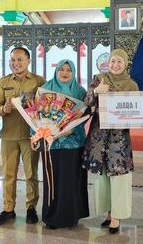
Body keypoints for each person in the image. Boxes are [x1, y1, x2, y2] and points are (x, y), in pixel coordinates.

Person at [82, 49, 139, 234]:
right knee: (102, 177)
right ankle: (108, 213)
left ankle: (117, 216)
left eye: (119, 62)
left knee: (120, 178)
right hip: (99, 138)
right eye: (112, 61)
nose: (115, 65)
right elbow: (86, 104)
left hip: (119, 140)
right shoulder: (99, 78)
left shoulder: (131, 85)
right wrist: (96, 91)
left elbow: (137, 113)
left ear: (125, 63)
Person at [0, 47, 45, 225]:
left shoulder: (38, 81)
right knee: (8, 174)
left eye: (20, 59)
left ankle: (31, 208)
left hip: (31, 135)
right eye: (13, 60)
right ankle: (8, 209)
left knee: (31, 174)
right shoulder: (3, 81)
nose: (16, 63)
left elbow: (46, 104)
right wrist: (2, 109)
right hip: (8, 135)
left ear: (28, 61)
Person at [40, 59, 89, 229]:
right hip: (51, 144)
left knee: (70, 181)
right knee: (52, 181)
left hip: (74, 143)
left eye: (69, 70)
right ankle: (52, 217)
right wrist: (44, 131)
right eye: (62, 69)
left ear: (74, 73)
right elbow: (37, 116)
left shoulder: (80, 91)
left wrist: (71, 129)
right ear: (56, 71)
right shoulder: (46, 89)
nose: (65, 73)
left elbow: (85, 115)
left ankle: (71, 216)